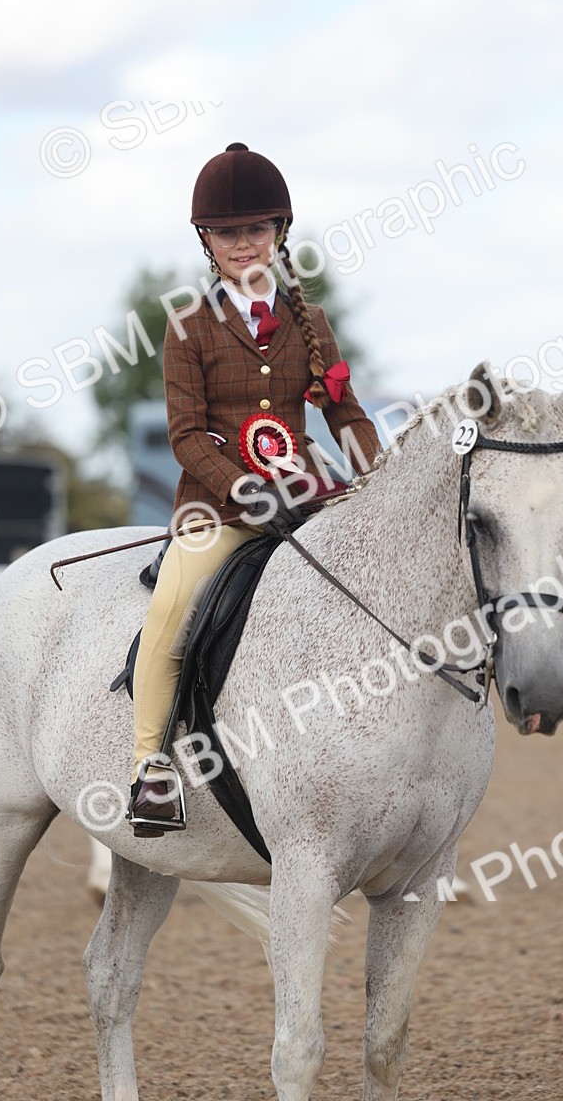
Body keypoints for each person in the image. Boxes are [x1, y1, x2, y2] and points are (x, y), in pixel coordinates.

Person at [128, 142, 381, 834]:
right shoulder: (186, 327)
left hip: (303, 498)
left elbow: (345, 415)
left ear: (279, 232)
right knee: (172, 616)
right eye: (229, 232)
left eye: (257, 229)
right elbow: (185, 436)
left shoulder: (311, 324)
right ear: (207, 241)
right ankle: (150, 770)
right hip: (217, 510)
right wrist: (244, 490)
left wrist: (379, 479)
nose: (244, 243)